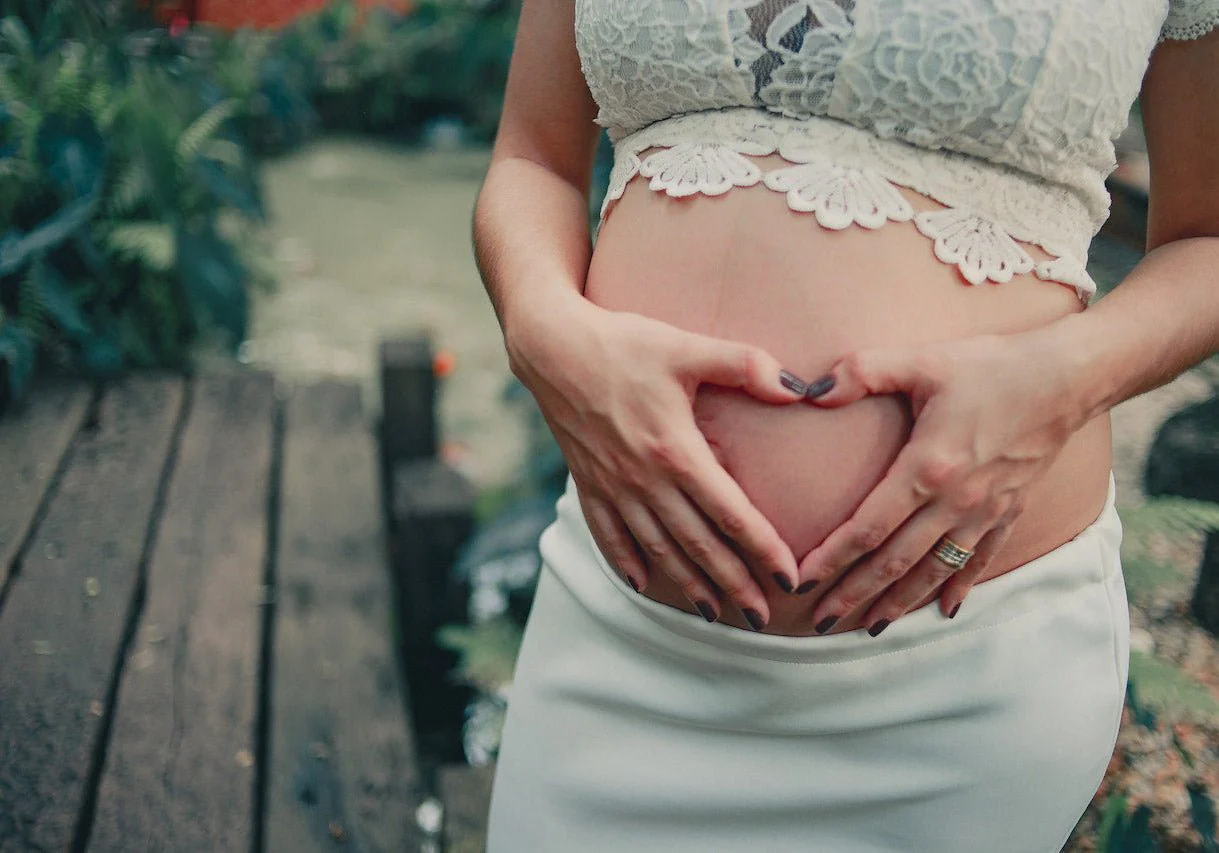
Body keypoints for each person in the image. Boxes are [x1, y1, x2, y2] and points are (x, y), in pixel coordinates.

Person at [472, 1, 1219, 850]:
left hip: (956, 677)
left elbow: (1206, 240)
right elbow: (531, 160)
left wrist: (1057, 382)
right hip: (613, 630)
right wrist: (541, 331)